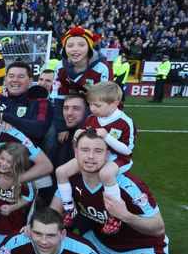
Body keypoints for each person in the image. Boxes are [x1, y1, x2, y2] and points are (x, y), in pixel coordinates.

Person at [56, 81, 135, 235]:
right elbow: (83, 144)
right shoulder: (92, 118)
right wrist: (77, 137)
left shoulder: (125, 122)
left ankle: (114, 216)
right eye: (91, 104)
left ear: (114, 104)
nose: (92, 109)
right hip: (93, 156)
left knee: (105, 174)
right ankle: (69, 208)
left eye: (97, 105)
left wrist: (107, 138)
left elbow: (127, 150)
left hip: (117, 158)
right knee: (61, 172)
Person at [53, 27, 111, 142]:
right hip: (69, 109)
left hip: (95, 111)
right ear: (64, 48)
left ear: (89, 46)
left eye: (81, 45)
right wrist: (61, 127)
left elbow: (105, 102)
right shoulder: (60, 66)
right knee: (51, 137)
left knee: (83, 140)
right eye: (70, 46)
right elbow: (58, 97)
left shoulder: (102, 67)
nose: (75, 49)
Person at [0, 143, 36, 254]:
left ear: (18, 164)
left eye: (9, 162)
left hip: (11, 226)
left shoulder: (25, 178)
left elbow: (29, 197)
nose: (3, 163)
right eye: (1, 158)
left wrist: (13, 207)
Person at [0, 61, 52, 144]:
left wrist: (3, 116)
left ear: (30, 81)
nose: (15, 80)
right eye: (11, 76)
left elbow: (39, 130)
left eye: (21, 76)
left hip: (25, 155)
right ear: (5, 80)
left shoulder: (39, 103)